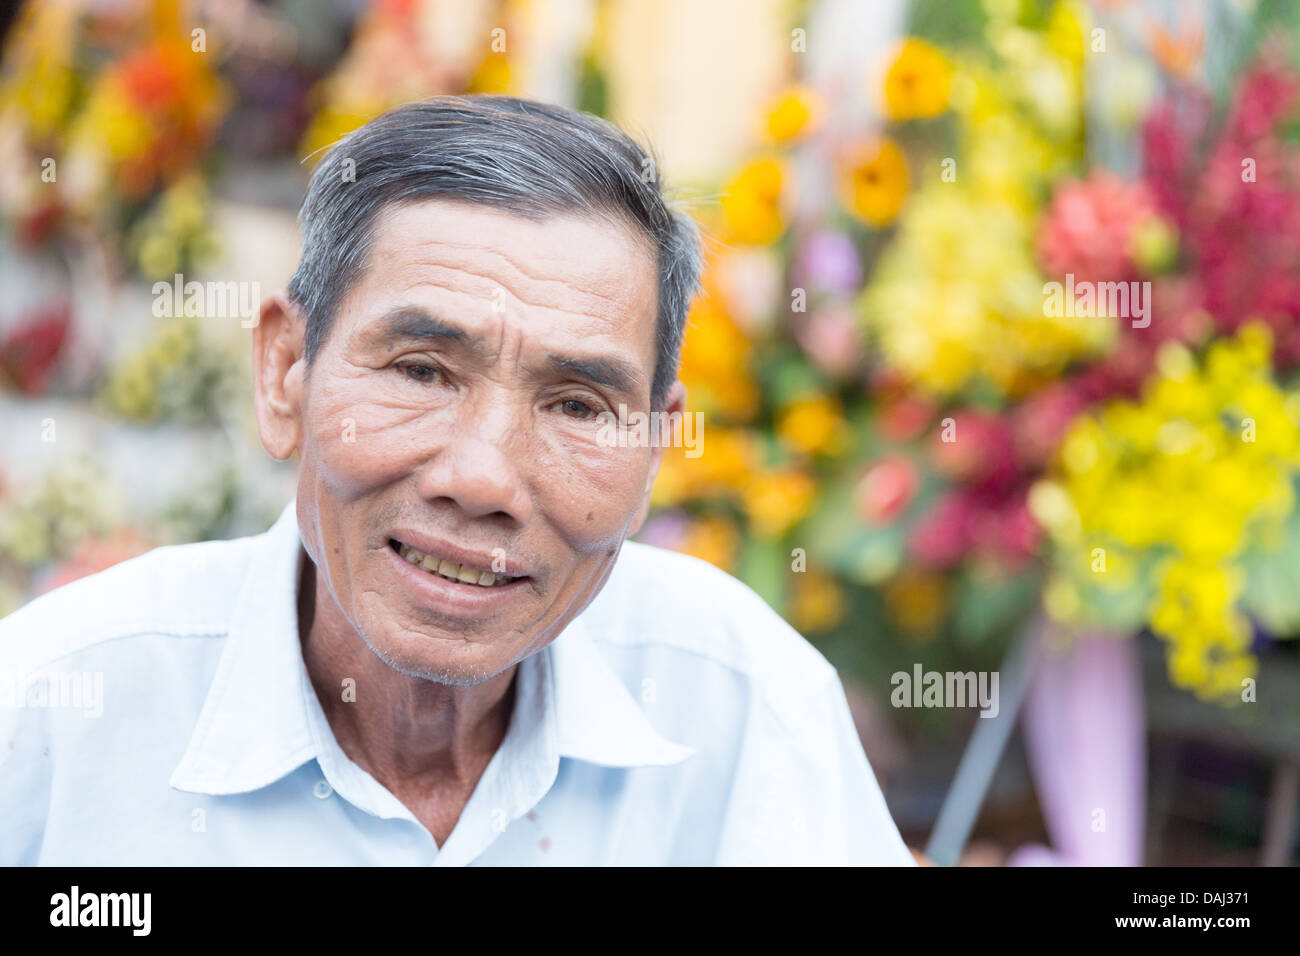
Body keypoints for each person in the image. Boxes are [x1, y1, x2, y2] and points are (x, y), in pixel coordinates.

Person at [0, 95, 915, 865]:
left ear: (655, 447)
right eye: (421, 371)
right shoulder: (52, 718)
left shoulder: (746, 705)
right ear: (286, 371)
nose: (482, 478)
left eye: (577, 405)